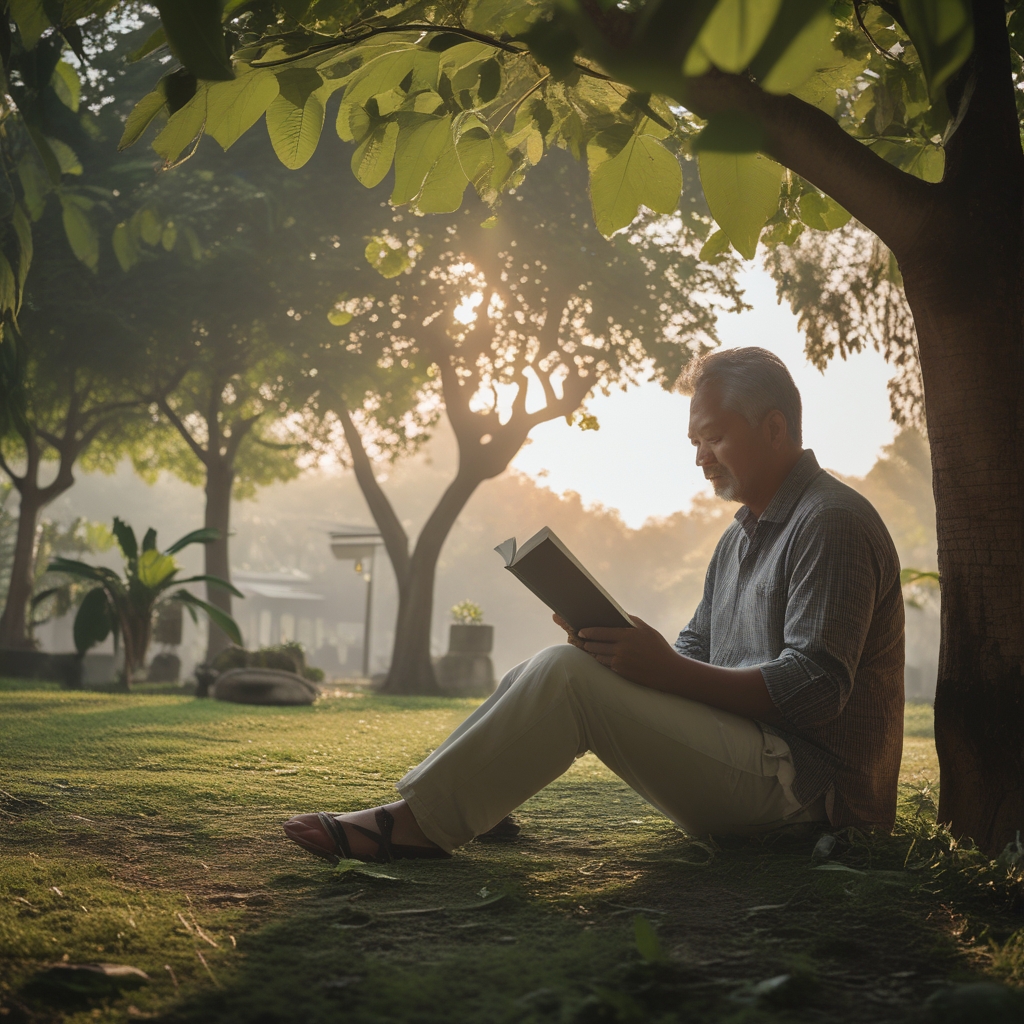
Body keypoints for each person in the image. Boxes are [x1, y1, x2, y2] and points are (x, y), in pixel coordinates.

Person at [283, 347, 905, 863]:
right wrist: (617, 646)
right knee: (557, 663)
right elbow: (694, 651)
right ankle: (470, 802)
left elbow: (818, 688)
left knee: (564, 677)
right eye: (694, 441)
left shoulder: (831, 522)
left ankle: (415, 826)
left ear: (774, 428)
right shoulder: (741, 536)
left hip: (807, 796)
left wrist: (666, 670)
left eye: (713, 437)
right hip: (748, 763)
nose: (699, 458)